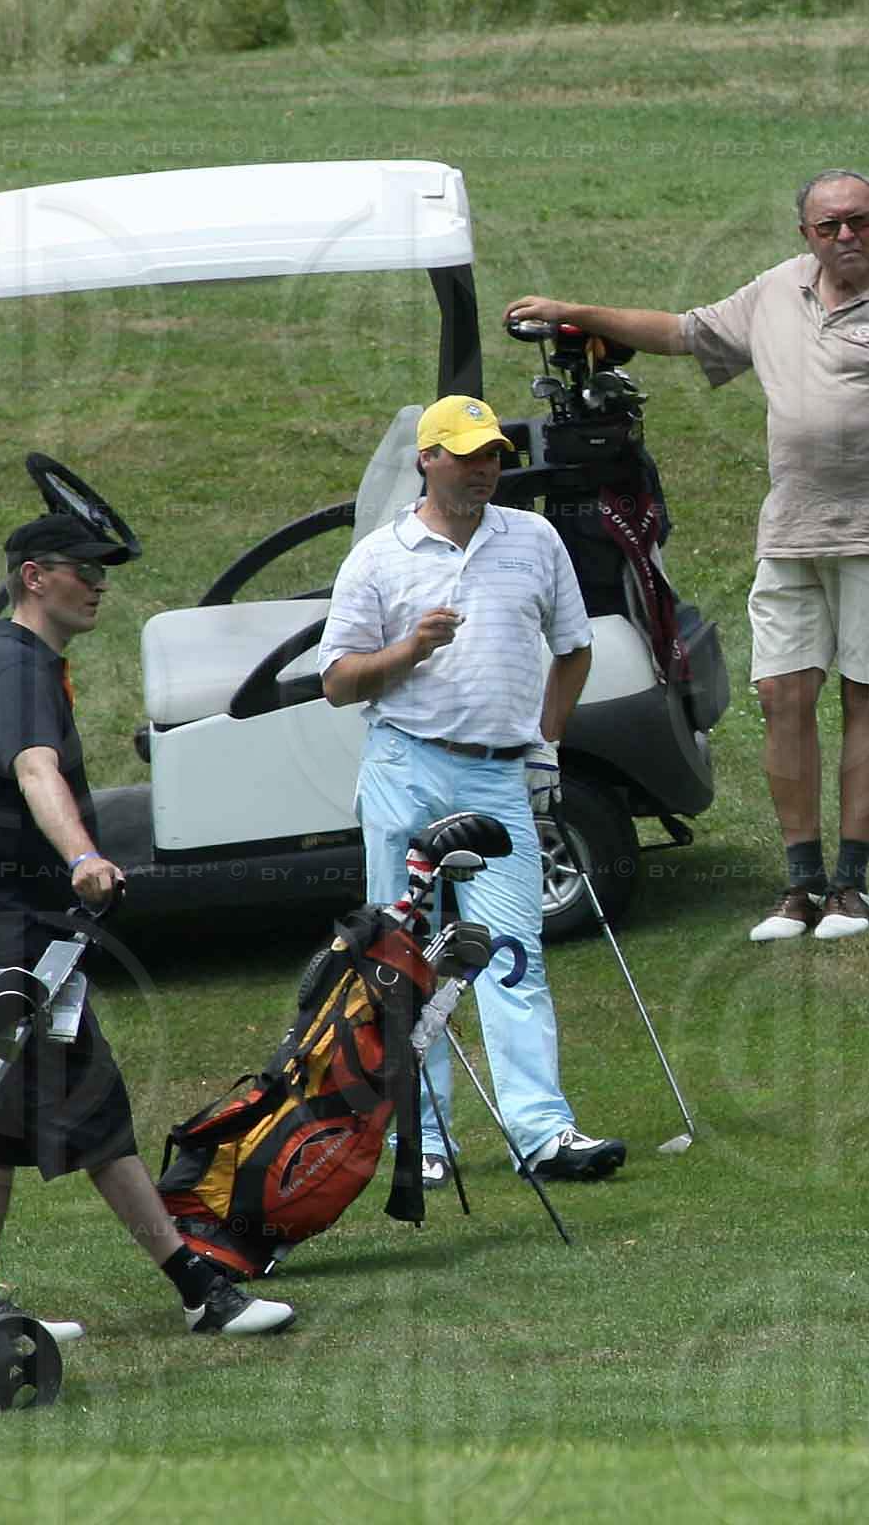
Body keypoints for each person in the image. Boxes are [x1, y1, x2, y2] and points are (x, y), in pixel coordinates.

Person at [506, 169, 869, 944]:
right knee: (782, 698)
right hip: (791, 532)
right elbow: (685, 331)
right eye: (829, 227)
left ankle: (851, 888)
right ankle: (800, 887)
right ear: (806, 235)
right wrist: (572, 312)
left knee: (867, 695)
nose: (847, 237)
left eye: (859, 221)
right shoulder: (777, 290)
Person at [0, 513, 294, 1334]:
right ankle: (200, 1293)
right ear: (35, 576)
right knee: (95, 1113)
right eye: (83, 569)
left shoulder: (14, 660)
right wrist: (81, 858)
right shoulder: (19, 671)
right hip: (17, 938)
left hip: (11, 931)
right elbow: (36, 771)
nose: (100, 584)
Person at [319, 394, 627, 1184]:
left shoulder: (534, 539)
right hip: (405, 766)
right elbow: (339, 683)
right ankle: (421, 1141)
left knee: (513, 955)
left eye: (493, 454)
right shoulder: (380, 557)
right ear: (428, 459)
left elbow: (574, 649)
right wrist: (408, 652)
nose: (486, 468)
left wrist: (546, 745)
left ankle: (542, 1133)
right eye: (467, 454)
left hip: (497, 773)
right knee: (403, 958)